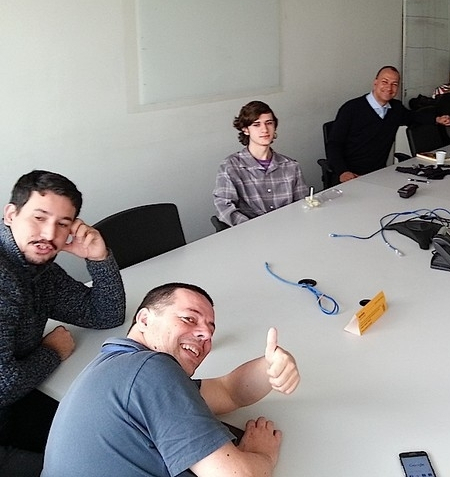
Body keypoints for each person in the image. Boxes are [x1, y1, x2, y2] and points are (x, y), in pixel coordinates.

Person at [43, 282, 300, 477]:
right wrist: (262, 453)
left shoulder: (121, 366)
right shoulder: (151, 370)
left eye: (210, 330)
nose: (204, 335)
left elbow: (228, 391)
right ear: (144, 319)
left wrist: (270, 366)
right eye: (189, 319)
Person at [1, 170, 126, 476]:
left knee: (116, 437)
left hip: (20, 403)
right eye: (39, 218)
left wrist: (99, 259)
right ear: (10, 215)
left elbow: (106, 315)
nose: (49, 234)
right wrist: (52, 351)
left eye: (62, 224)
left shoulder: (39, 271)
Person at [327, 66, 450, 183]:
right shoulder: (351, 109)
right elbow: (334, 144)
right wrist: (342, 172)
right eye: (385, 82)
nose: (389, 88)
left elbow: (413, 117)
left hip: (378, 175)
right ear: (375, 82)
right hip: (350, 176)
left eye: (394, 84)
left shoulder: (396, 108)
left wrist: (437, 119)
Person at [213, 101, 308, 227]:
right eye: (256, 125)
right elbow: (224, 208)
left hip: (288, 229)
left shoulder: (291, 166)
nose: (264, 129)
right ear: (246, 130)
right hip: (250, 235)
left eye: (269, 123)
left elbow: (302, 204)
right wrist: (255, 228)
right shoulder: (230, 167)